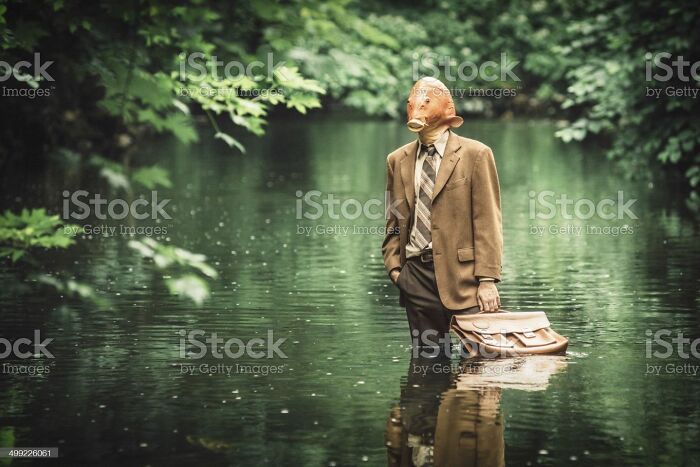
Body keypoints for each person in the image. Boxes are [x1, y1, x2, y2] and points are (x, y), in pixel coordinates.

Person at [382, 77, 503, 353]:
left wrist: (487, 280)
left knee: (480, 365)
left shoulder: (476, 154)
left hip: (466, 280)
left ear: (447, 111)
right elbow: (394, 219)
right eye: (413, 102)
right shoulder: (397, 159)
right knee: (426, 365)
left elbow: (487, 221)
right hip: (416, 278)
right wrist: (397, 271)